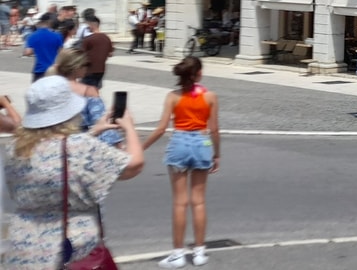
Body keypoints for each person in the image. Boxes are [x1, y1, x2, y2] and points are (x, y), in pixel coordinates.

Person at [3, 75, 143, 267]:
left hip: (24, 249)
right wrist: (129, 128)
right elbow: (133, 165)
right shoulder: (81, 147)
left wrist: (93, 131)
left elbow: (54, 154)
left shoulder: (15, 148)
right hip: (70, 251)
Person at [143, 57, 221, 268]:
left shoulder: (173, 97)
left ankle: (177, 253)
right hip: (202, 143)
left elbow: (160, 129)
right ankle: (199, 251)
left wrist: (141, 147)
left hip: (179, 142)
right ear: (199, 74)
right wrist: (217, 154)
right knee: (199, 201)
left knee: (180, 202)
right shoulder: (210, 96)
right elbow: (214, 129)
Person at [51, 49, 123, 147]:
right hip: (79, 143)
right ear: (76, 67)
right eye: (86, 64)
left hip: (52, 142)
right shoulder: (88, 91)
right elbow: (100, 121)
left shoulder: (48, 89)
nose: (88, 68)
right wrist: (117, 144)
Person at [23, 13, 63, 81]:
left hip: (39, 69)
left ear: (40, 22)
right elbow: (61, 53)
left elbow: (28, 52)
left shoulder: (33, 36)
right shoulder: (57, 35)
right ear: (50, 22)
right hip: (53, 69)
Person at [79, 15, 114, 89]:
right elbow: (110, 54)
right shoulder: (106, 38)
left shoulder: (88, 39)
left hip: (89, 70)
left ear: (91, 25)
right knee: (95, 90)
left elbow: (81, 55)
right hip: (101, 70)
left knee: (85, 91)